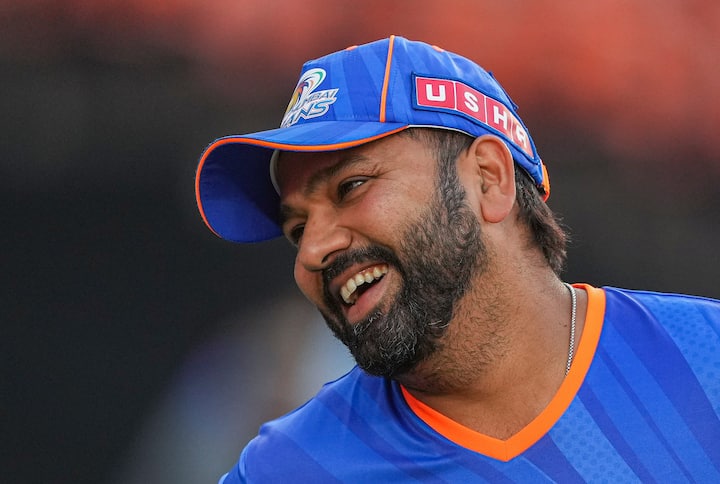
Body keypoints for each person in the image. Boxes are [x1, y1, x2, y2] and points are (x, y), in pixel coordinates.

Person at [195, 36, 720, 482]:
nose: (313, 251)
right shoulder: (289, 470)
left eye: (351, 186)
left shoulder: (705, 361)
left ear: (489, 180)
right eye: (297, 229)